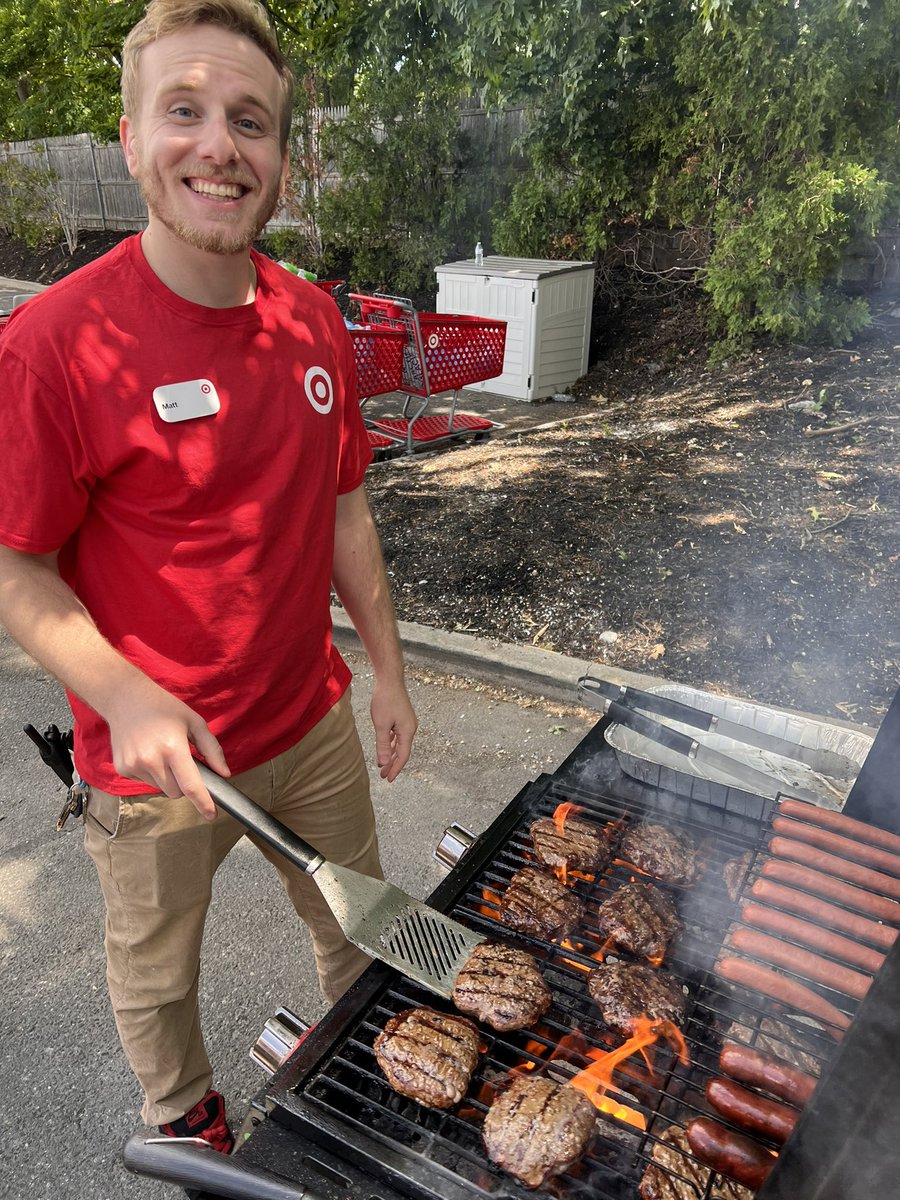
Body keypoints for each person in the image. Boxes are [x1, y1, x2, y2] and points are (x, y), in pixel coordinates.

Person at [0, 0, 417, 1154]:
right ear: (131, 141)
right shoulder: (53, 345)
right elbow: (15, 564)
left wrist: (386, 671)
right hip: (156, 769)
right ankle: (187, 1124)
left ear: (284, 156)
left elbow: (344, 508)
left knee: (361, 931)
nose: (220, 146)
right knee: (156, 970)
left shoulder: (314, 322)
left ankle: (373, 1073)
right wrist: (126, 694)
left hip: (312, 719)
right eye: (183, 112)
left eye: (251, 120)